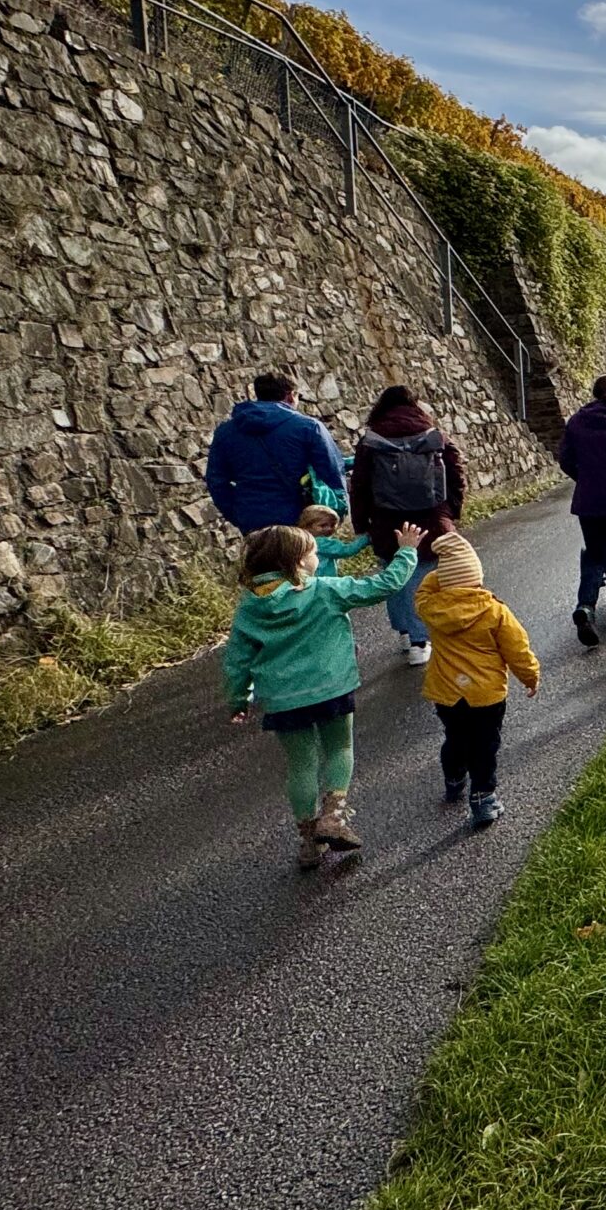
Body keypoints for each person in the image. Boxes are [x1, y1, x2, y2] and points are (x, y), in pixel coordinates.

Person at [225, 519, 427, 868]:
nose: (318, 556)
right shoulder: (324, 590)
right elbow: (384, 584)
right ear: (299, 561)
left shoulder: (248, 609)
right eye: (314, 552)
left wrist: (238, 699)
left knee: (300, 765)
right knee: (340, 747)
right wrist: (407, 551)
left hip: (283, 700)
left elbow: (237, 661)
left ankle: (308, 841)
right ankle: (333, 817)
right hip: (332, 688)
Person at [413, 531, 539, 830]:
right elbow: (517, 649)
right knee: (485, 745)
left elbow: (421, 593)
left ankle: (454, 778)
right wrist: (530, 676)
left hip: (446, 692)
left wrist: (440, 575)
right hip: (486, 695)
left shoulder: (433, 608)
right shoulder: (495, 610)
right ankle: (483, 798)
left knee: (455, 737)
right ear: (478, 577)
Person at [349, 384, 464, 668]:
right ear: (416, 406)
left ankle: (404, 632)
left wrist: (361, 522)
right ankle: (419, 640)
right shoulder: (434, 437)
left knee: (394, 575)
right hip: (431, 519)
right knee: (422, 579)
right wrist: (451, 511)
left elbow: (360, 486)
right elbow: (456, 475)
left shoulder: (371, 441)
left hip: (387, 522)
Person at [205, 372, 350, 533]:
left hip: (252, 518)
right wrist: (337, 512)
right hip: (301, 518)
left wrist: (237, 513)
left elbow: (216, 480)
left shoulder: (226, 432)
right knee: (301, 557)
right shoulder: (308, 427)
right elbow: (332, 471)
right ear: (290, 395)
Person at [557, 373, 606, 647]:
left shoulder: (577, 421)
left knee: (595, 556)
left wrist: (585, 478)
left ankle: (586, 607)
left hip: (588, 502)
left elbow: (565, 458)